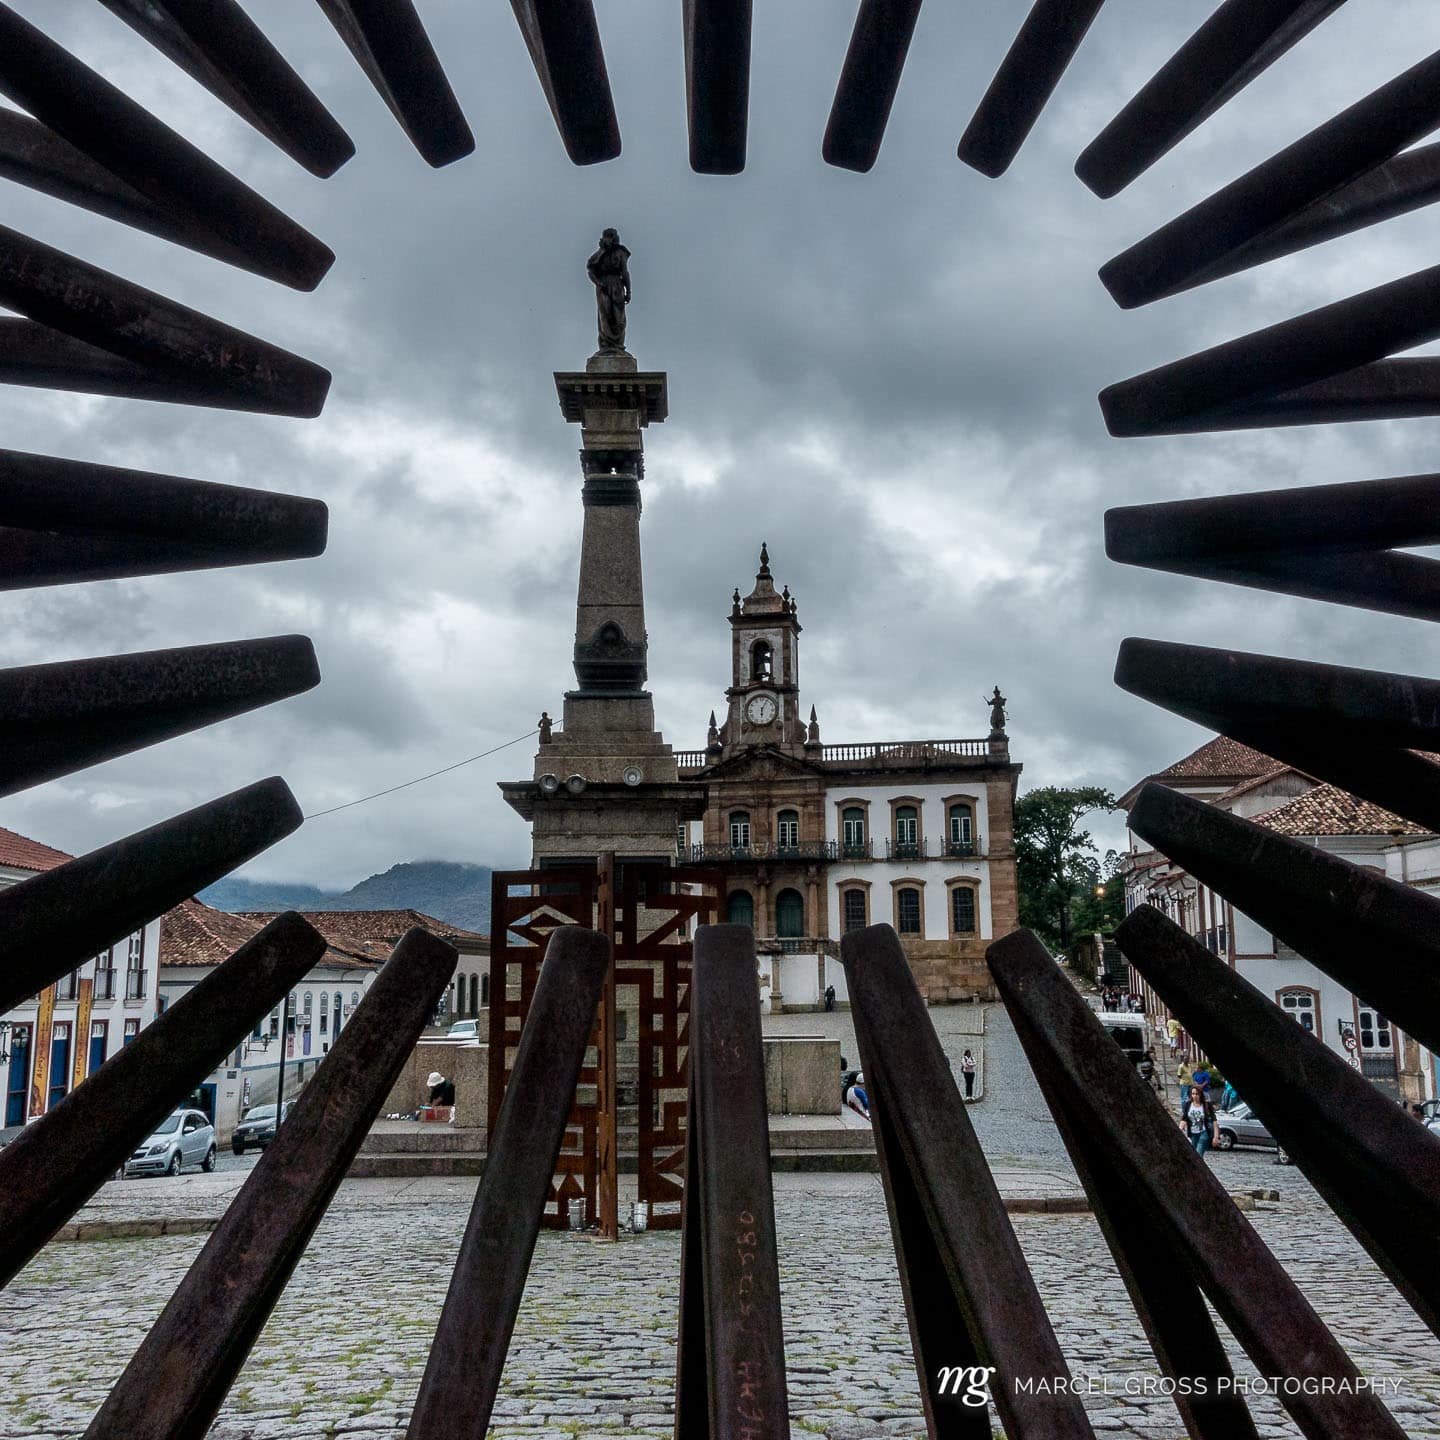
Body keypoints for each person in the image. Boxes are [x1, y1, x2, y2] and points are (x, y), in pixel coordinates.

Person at [1181, 1083, 1218, 1158]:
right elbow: (1184, 1119)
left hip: (1204, 1132)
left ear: (1201, 1094)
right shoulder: (1188, 1104)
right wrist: (1181, 1128)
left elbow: (1214, 1121)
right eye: (1193, 1094)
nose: (1194, 1096)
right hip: (1193, 1133)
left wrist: (1216, 1137)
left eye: (1197, 1094)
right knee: (1194, 1155)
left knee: (1198, 1153)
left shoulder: (1206, 1105)